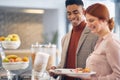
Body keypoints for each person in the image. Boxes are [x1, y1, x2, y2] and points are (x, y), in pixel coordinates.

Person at [49, 0, 98, 80]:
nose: (72, 16)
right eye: (69, 13)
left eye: (75, 12)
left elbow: (100, 64)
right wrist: (55, 70)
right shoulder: (65, 38)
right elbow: (63, 64)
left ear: (84, 11)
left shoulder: (95, 35)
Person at [80, 3, 120, 80]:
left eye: (91, 20)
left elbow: (118, 76)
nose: (88, 25)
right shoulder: (101, 41)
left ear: (104, 20)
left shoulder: (111, 41)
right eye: (87, 21)